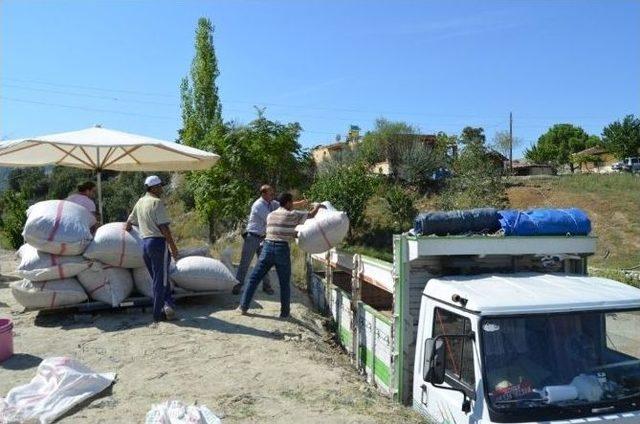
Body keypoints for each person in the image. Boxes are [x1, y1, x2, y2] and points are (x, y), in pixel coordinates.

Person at [238, 193, 325, 318]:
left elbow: (281, 229)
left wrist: (292, 233)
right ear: (288, 203)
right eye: (291, 202)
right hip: (281, 250)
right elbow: (311, 215)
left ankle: (243, 307)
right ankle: (284, 314)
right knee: (284, 283)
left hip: (266, 248)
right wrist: (318, 206)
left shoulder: (271, 215)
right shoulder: (292, 214)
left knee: (253, 279)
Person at [232, 185, 306, 295]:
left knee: (264, 263)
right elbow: (270, 218)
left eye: (272, 193)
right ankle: (237, 286)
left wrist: (301, 203)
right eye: (270, 193)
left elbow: (283, 205)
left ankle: (266, 287)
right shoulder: (258, 205)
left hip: (263, 238)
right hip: (252, 237)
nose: (273, 194)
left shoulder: (272, 203)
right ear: (264, 194)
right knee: (245, 263)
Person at [125, 175, 179, 323]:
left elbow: (128, 223)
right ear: (153, 188)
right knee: (160, 280)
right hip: (158, 244)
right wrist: (173, 247)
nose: (162, 188)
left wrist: (130, 228)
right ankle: (157, 314)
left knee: (158, 278)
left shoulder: (140, 202)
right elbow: (164, 228)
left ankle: (168, 305)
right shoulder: (157, 202)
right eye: (160, 186)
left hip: (145, 245)